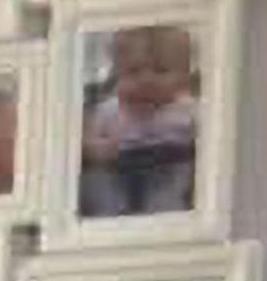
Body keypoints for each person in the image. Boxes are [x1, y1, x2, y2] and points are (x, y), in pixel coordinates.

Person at [78, 24, 199, 218]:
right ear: (116, 76)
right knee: (96, 184)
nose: (146, 80)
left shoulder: (188, 110)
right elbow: (88, 141)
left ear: (183, 78)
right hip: (118, 173)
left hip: (167, 172)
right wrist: (98, 149)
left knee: (178, 185)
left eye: (161, 70)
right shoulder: (109, 110)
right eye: (133, 72)